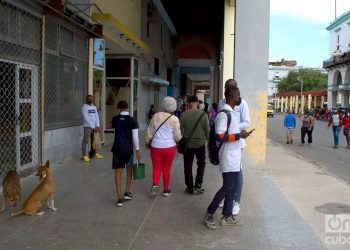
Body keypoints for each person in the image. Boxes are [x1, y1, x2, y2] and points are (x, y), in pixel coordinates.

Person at [203, 86, 251, 230]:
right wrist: (238, 135)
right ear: (231, 96)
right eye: (237, 95)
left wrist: (240, 134)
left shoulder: (231, 113)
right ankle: (209, 214)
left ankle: (227, 216)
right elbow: (219, 135)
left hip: (235, 157)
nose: (239, 98)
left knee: (232, 188)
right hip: (228, 157)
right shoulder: (224, 114)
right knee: (227, 187)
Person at [218, 79, 250, 216]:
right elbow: (221, 120)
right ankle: (227, 195)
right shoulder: (222, 102)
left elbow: (247, 122)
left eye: (232, 87)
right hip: (226, 142)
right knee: (227, 170)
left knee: (238, 172)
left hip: (237, 142)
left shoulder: (243, 103)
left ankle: (236, 201)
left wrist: (234, 128)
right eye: (227, 88)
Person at [145, 97, 182, 197]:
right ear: (174, 107)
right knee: (166, 168)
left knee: (156, 167)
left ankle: (155, 183)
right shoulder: (175, 119)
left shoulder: (156, 116)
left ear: (164, 105)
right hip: (169, 147)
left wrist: (147, 141)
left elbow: (150, 131)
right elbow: (177, 136)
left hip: (156, 147)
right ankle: (166, 189)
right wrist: (179, 142)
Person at [111, 101, 140, 207]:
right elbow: (135, 137)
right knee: (129, 170)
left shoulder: (115, 119)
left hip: (117, 149)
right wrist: (137, 150)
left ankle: (119, 198)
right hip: (128, 150)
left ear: (119, 108)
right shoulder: (132, 120)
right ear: (128, 107)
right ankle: (127, 192)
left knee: (118, 172)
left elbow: (115, 133)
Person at [180, 96, 210, 195]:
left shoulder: (184, 115)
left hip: (188, 145)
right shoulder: (203, 114)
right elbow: (207, 130)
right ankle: (198, 184)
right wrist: (208, 142)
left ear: (188, 103)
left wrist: (178, 142)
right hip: (200, 144)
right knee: (201, 164)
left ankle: (189, 187)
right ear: (197, 103)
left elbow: (180, 131)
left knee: (187, 166)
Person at [81, 95, 102, 162]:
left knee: (95, 140)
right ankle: (84, 155)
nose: (90, 100)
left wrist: (97, 125)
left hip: (95, 127)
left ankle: (94, 153)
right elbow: (86, 118)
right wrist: (92, 127)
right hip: (88, 127)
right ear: (86, 99)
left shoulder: (94, 107)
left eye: (91, 99)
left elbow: (97, 116)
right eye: (89, 99)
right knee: (86, 141)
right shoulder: (84, 107)